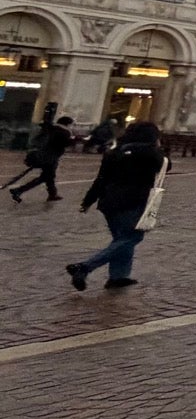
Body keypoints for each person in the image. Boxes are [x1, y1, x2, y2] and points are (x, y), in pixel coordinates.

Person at [66, 121, 168, 291]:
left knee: (121, 239)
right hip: (133, 201)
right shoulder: (150, 152)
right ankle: (85, 267)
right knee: (132, 237)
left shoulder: (114, 152)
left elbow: (100, 179)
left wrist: (88, 201)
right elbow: (166, 165)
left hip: (108, 202)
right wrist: (158, 148)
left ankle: (118, 276)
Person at [9, 116, 74, 203]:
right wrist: (74, 140)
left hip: (42, 155)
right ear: (67, 124)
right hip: (50, 157)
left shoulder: (51, 128)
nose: (71, 126)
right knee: (46, 176)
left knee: (49, 176)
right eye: (71, 124)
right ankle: (18, 190)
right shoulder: (63, 132)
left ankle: (52, 194)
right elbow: (61, 144)